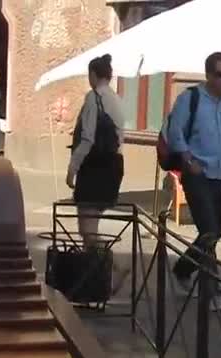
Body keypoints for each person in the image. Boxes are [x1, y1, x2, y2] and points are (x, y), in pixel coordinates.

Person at [167, 51, 221, 313]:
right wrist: (188, 160)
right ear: (209, 75)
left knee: (215, 231)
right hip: (197, 173)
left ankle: (183, 268)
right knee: (209, 230)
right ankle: (213, 292)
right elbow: (175, 132)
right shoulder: (191, 98)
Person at [65, 54, 125, 248]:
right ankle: (98, 262)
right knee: (91, 227)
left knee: (87, 230)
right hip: (113, 166)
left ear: (93, 74)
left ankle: (105, 262)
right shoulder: (116, 99)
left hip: (94, 168)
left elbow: (87, 138)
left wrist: (72, 169)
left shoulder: (93, 98)